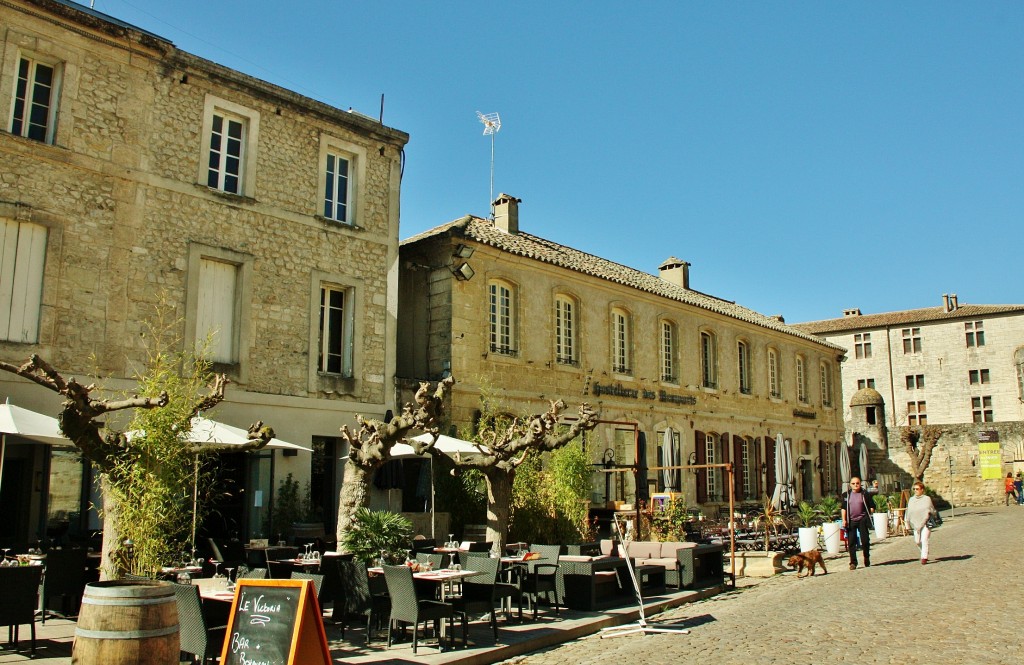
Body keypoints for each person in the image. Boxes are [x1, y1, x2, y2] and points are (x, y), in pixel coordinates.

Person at [841, 476, 873, 570]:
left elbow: (871, 506)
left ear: (860, 484)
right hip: (851, 520)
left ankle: (866, 557)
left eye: (857, 483)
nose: (855, 485)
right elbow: (843, 508)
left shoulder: (864, 494)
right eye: (853, 483)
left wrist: (868, 514)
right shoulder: (846, 495)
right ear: (850, 485)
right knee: (851, 542)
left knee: (865, 540)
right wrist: (844, 520)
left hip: (862, 519)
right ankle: (853, 562)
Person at [904, 481, 937, 564]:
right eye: (914, 489)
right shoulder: (911, 500)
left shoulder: (927, 499)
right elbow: (909, 512)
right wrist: (907, 522)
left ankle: (924, 557)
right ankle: (924, 551)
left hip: (926, 522)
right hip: (916, 523)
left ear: (922, 490)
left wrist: (931, 513)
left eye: (917, 489)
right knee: (917, 541)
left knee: (924, 539)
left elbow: (931, 509)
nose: (915, 490)